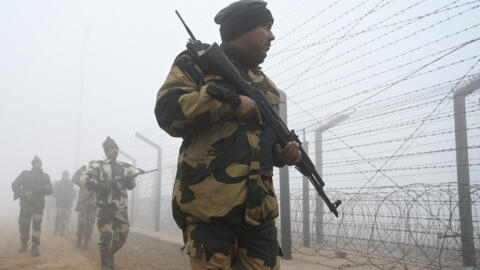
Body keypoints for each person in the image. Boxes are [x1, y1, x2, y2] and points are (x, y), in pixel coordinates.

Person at [154, 1, 301, 269]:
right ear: (243, 29)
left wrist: (281, 155)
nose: (272, 36)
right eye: (266, 27)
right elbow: (167, 113)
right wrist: (228, 103)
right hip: (210, 211)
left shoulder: (268, 88)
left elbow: (260, 143)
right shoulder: (197, 64)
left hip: (259, 216)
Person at [80, 137, 136, 270]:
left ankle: (110, 255)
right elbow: (84, 179)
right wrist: (100, 185)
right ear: (106, 151)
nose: (115, 150)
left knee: (122, 235)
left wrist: (129, 182)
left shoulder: (125, 167)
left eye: (116, 148)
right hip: (103, 206)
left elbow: (132, 185)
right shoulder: (97, 165)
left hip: (120, 207)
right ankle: (104, 263)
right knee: (105, 235)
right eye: (112, 148)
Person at [11, 155, 53, 257]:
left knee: (36, 228)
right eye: (35, 163)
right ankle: (24, 244)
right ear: (32, 164)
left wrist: (47, 189)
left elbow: (50, 191)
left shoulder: (45, 177)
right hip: (26, 205)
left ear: (41, 164)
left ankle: (34, 247)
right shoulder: (25, 174)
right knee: (23, 227)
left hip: (38, 206)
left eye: (39, 163)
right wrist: (24, 193)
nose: (37, 165)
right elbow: (14, 185)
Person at [72, 163, 96, 249]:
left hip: (93, 205)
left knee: (90, 225)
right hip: (83, 204)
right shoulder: (83, 178)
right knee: (81, 223)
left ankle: (86, 242)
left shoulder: (97, 178)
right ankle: (79, 240)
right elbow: (74, 179)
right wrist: (81, 170)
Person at [53, 170, 75, 236]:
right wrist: (58, 198)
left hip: (67, 204)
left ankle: (62, 232)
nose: (66, 176)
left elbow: (72, 193)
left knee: (65, 219)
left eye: (67, 175)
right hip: (59, 204)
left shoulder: (70, 184)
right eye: (65, 175)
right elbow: (54, 193)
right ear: (62, 175)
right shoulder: (58, 183)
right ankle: (56, 231)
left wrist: (71, 200)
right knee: (58, 218)